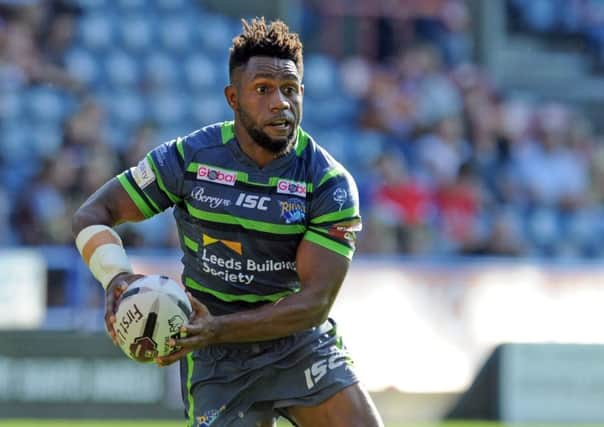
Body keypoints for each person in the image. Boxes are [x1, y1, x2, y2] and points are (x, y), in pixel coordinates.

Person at [72, 17, 383, 427]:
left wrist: (219, 327)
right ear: (233, 98)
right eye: (262, 90)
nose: (280, 103)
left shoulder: (328, 182)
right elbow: (93, 214)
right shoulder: (188, 159)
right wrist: (115, 278)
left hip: (295, 341)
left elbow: (313, 304)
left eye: (290, 90)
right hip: (215, 358)